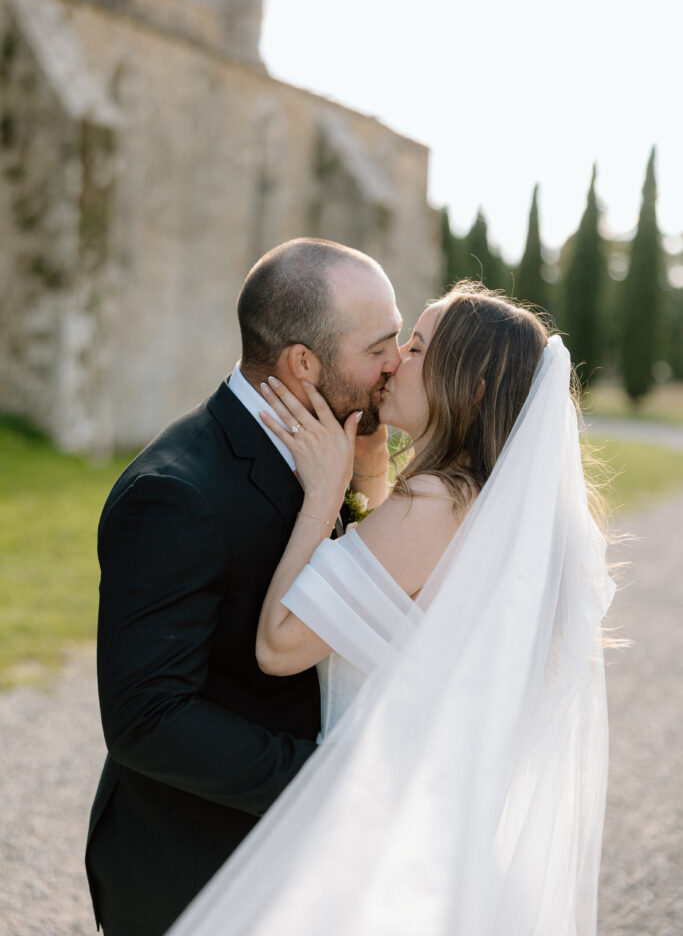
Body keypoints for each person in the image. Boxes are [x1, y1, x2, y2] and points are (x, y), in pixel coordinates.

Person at [167, 282, 615, 936]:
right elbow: (400, 602)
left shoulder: (434, 502)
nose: (394, 362)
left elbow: (279, 644)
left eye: (417, 348)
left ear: (471, 389)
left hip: (379, 837)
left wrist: (323, 497)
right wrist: (373, 475)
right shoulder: (479, 504)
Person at [85, 238, 403, 936]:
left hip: (303, 868)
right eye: (379, 346)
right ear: (302, 364)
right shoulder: (175, 495)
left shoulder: (334, 448)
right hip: (199, 870)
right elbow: (147, 717)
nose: (397, 364)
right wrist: (326, 780)